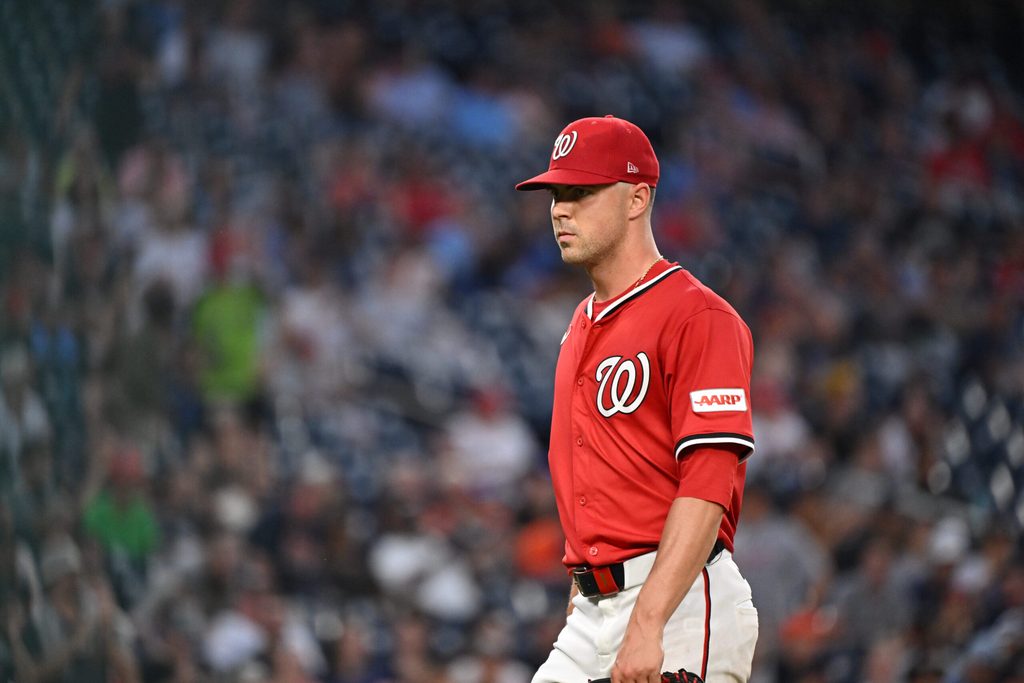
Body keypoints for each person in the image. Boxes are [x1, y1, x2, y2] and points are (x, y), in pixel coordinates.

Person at [515, 115, 759, 683]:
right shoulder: (580, 324)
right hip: (592, 609)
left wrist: (648, 622)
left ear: (637, 198)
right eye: (555, 193)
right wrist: (583, 592)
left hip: (677, 602)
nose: (559, 209)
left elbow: (709, 478)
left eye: (580, 191)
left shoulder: (697, 315)